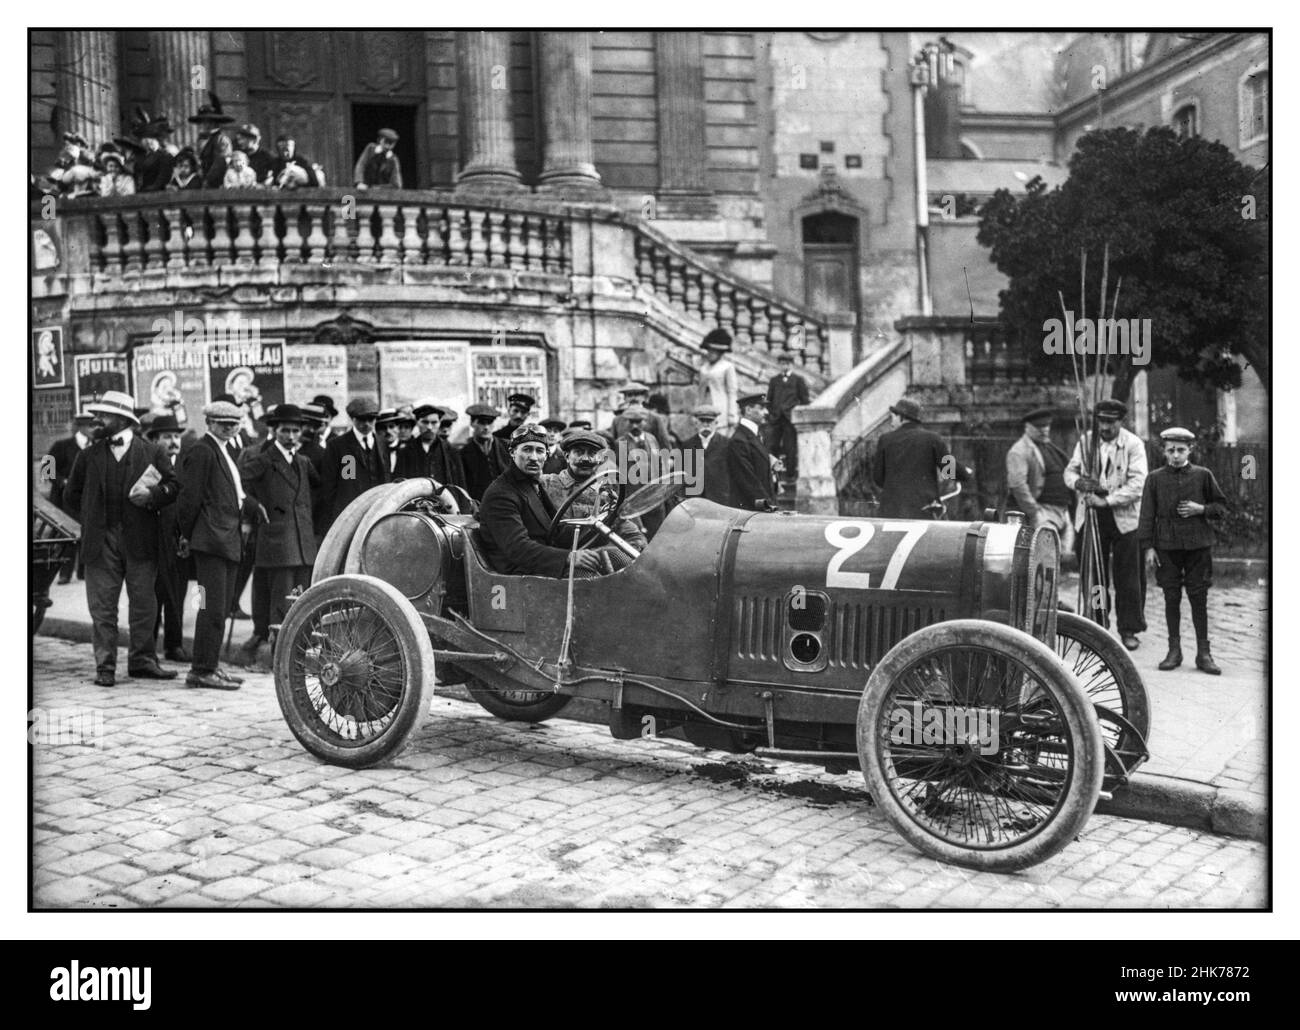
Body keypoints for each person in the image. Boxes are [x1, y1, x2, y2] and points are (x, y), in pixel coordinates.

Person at [64, 391, 181, 686]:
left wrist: (153, 495)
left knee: (143, 603)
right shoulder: (86, 455)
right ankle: (105, 666)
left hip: (141, 540)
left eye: (102, 416)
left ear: (121, 420)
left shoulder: (152, 452)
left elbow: (174, 486)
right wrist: (91, 521)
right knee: (102, 606)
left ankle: (142, 661)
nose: (96, 420)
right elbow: (70, 495)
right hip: (100, 542)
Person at [176, 401, 258, 690]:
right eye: (223, 423)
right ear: (209, 422)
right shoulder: (202, 451)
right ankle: (201, 669)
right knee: (210, 607)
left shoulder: (221, 449)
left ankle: (210, 665)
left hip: (224, 541)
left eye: (234, 423)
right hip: (211, 543)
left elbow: (234, 494)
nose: (229, 427)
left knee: (218, 607)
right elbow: (189, 499)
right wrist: (188, 535)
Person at [1139, 427, 1228, 675]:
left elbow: (1221, 507)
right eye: (1171, 450)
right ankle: (1174, 651)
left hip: (1198, 545)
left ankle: (1204, 653)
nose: (1175, 455)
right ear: (1164, 452)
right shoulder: (1154, 478)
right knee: (1171, 597)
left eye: (1180, 450)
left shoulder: (1203, 475)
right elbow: (1146, 515)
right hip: (1166, 546)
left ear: (1190, 450)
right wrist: (1148, 548)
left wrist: (1201, 509)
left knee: (1198, 597)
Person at [1064, 399, 1148, 651]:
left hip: (1124, 517)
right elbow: (1069, 472)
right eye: (1102, 421)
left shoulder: (1133, 444)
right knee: (1094, 575)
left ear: (1120, 421)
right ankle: (1098, 626)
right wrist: (1079, 484)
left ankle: (1129, 628)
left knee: (1128, 576)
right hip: (1090, 516)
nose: (1106, 427)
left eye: (1111, 422)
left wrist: (1107, 500)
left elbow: (1138, 484)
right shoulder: (1086, 441)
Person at [478, 424, 608, 577]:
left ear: (546, 455)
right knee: (589, 578)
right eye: (527, 449)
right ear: (513, 453)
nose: (533, 457)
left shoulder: (533, 485)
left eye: (539, 451)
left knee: (614, 557)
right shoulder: (501, 492)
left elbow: (556, 529)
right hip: (517, 572)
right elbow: (517, 548)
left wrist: (602, 532)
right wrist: (569, 557)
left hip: (538, 563)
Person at [240, 404, 320, 649]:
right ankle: (278, 648)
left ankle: (299, 644)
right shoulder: (263, 460)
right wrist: (255, 507)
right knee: (280, 596)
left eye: (296, 431)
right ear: (274, 430)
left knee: (301, 594)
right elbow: (237, 483)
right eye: (285, 430)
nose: (291, 436)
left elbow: (319, 489)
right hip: (278, 540)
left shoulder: (303, 461)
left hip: (302, 541)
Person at [543, 429, 647, 572]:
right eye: (579, 452)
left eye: (592, 454)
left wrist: (606, 555)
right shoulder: (545, 484)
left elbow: (634, 536)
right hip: (555, 566)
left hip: (593, 568)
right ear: (567, 456)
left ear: (599, 459)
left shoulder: (607, 495)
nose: (586, 459)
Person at [145, 412, 191, 662]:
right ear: (155, 440)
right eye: (166, 437)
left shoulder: (186, 465)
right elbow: (47, 464)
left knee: (178, 595)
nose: (173, 441)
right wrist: (53, 479)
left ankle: (174, 645)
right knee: (152, 596)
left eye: (176, 436)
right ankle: (148, 646)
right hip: (153, 540)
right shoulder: (149, 465)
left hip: (179, 541)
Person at [1005, 407, 1076, 552]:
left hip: (1062, 511)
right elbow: (1017, 485)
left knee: (1061, 557)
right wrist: (1034, 511)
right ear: (1027, 427)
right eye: (1039, 427)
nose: (1044, 430)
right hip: (1043, 511)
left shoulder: (1050, 447)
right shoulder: (1019, 450)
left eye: (1046, 426)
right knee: (1045, 557)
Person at [871, 397, 947, 519]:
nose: (891, 422)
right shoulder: (933, 438)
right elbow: (951, 471)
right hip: (923, 511)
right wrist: (965, 473)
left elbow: (878, 478)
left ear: (901, 417)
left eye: (893, 417)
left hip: (891, 511)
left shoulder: (885, 439)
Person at [319, 397, 390, 527]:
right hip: (349, 514)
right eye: (362, 420)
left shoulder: (382, 443)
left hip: (377, 511)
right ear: (353, 419)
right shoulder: (338, 445)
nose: (367, 424)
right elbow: (330, 485)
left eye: (371, 419)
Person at [47, 412, 98, 582]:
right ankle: (64, 574)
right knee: (68, 535)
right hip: (65, 500)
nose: (95, 429)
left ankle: (83, 573)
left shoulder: (96, 447)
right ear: (81, 427)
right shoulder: (61, 446)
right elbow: (47, 470)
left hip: (88, 499)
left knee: (87, 533)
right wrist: (63, 481)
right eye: (91, 426)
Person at [616, 404, 668, 538]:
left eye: (638, 422)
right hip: (634, 502)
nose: (635, 426)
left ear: (645, 422)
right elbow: (620, 476)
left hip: (655, 499)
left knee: (657, 536)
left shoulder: (652, 439)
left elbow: (660, 465)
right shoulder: (620, 443)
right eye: (631, 422)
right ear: (626, 422)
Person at [727, 392, 778, 512]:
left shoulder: (756, 435)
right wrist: (768, 505)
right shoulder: (739, 440)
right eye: (761, 408)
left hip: (759, 508)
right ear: (748, 410)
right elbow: (748, 480)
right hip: (750, 510)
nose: (766, 412)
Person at [765, 352, 810, 486]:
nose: (784, 366)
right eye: (782, 363)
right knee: (772, 446)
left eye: (787, 363)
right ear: (779, 364)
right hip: (776, 418)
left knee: (790, 447)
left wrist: (795, 412)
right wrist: (772, 412)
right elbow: (769, 399)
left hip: (790, 419)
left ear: (791, 365)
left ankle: (790, 475)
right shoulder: (774, 380)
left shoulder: (798, 380)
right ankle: (774, 474)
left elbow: (805, 400)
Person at [681, 404, 732, 506]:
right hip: (695, 500)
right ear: (696, 423)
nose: (706, 425)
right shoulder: (687, 445)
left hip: (720, 499)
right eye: (702, 421)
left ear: (716, 423)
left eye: (709, 421)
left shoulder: (727, 444)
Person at [461, 403, 511, 500]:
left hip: (505, 501)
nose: (486, 427)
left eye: (490, 422)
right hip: (479, 504)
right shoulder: (463, 453)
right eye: (482, 422)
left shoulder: (506, 447)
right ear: (472, 423)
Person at [698, 329, 739, 428]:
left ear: (720, 353)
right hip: (705, 406)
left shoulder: (727, 367)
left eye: (713, 351)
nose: (710, 353)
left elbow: (732, 392)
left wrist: (732, 415)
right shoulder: (703, 368)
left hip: (721, 407)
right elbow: (699, 391)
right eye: (709, 350)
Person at [613, 382, 672, 449]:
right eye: (630, 395)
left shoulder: (654, 418)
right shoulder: (617, 420)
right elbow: (612, 445)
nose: (634, 398)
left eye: (637, 394)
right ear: (625, 398)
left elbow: (664, 444)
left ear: (644, 397)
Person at [132, 112, 176, 193]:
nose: (148, 142)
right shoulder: (140, 157)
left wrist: (150, 189)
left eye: (151, 139)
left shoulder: (165, 156)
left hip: (157, 194)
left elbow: (162, 179)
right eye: (144, 138)